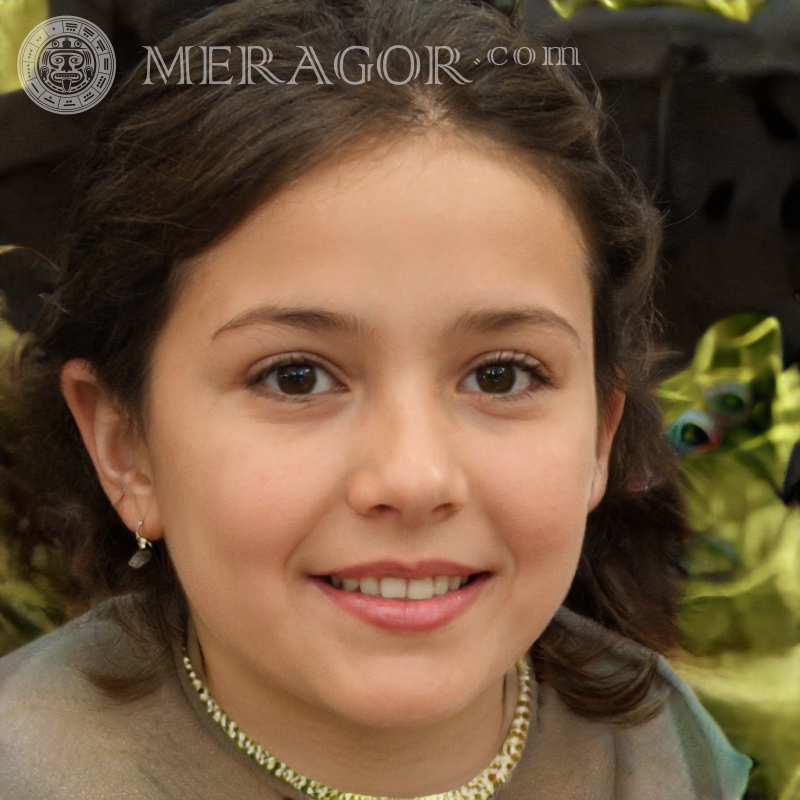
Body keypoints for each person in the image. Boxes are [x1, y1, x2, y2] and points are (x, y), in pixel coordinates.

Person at [0, 0, 751, 797]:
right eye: (296, 376)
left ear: (599, 435)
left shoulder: (663, 752)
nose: (415, 479)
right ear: (126, 446)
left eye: (501, 375)